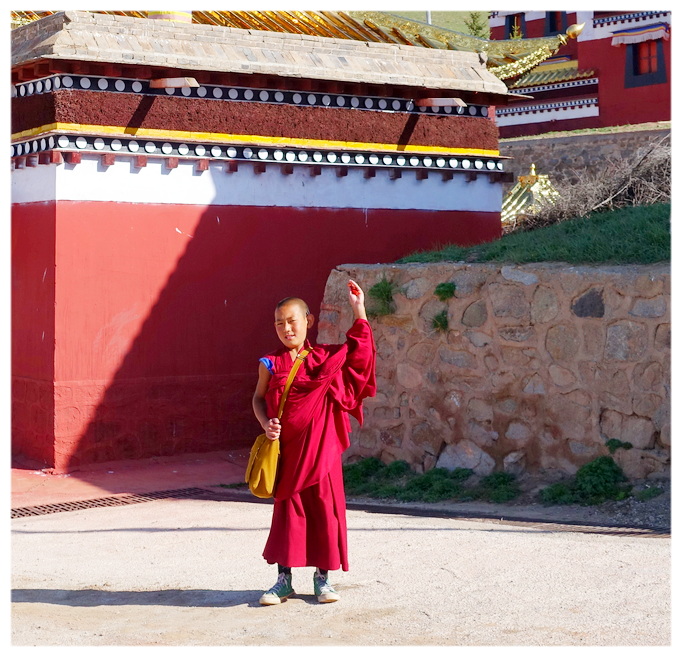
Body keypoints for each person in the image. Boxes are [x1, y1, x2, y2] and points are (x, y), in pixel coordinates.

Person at [252, 279, 376, 605]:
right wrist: (267, 425)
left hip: (322, 451)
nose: (286, 328)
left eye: (292, 321)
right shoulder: (270, 363)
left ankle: (323, 580)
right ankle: (283, 580)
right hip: (289, 451)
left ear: (308, 321)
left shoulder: (325, 359)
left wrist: (358, 309)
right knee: (288, 514)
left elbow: (360, 355)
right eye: (279, 323)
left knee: (323, 510)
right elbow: (257, 399)